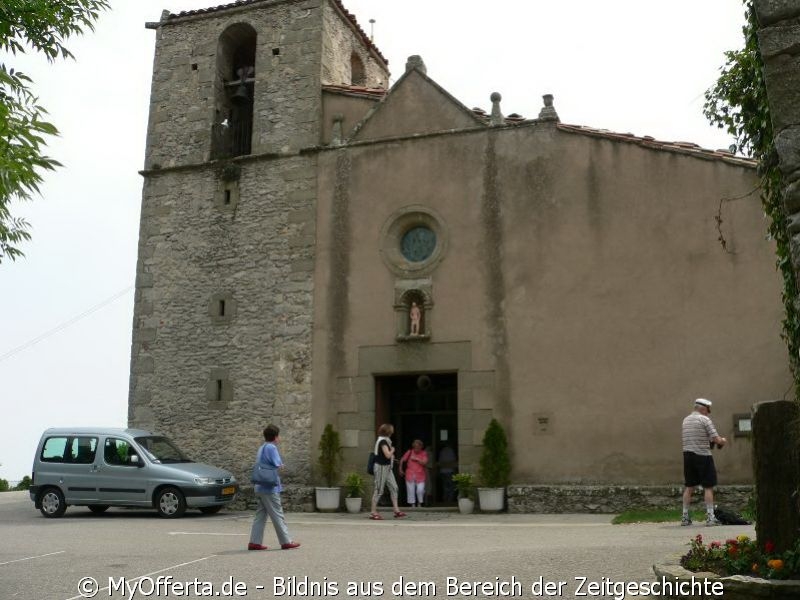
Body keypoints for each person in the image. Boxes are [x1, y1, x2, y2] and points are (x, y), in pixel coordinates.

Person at [248, 424, 301, 550]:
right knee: (278, 514)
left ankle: (254, 542)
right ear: (275, 437)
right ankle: (286, 541)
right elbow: (278, 465)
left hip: (259, 486)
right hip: (269, 487)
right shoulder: (272, 448)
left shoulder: (261, 447)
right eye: (278, 436)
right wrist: (282, 465)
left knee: (260, 515)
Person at [681, 398, 727, 527]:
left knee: (689, 486)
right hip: (703, 456)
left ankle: (685, 517)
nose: (709, 412)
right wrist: (723, 441)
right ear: (702, 409)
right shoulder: (704, 420)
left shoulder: (686, 420)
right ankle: (710, 517)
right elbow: (716, 439)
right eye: (708, 409)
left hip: (688, 455)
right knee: (708, 486)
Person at [369, 424, 407, 520]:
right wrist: (393, 450)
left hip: (387, 467)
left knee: (394, 488)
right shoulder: (383, 441)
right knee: (379, 490)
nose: (392, 432)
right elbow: (387, 455)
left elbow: (385, 456)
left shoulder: (384, 440)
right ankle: (373, 512)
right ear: (388, 432)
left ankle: (396, 510)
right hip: (381, 467)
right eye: (391, 431)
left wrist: (392, 459)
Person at [399, 439, 428, 507]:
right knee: (410, 490)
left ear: (421, 447)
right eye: (415, 447)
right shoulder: (409, 452)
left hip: (420, 474)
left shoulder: (423, 453)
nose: (416, 449)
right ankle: (413, 504)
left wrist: (417, 459)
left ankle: (420, 502)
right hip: (410, 474)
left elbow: (424, 462)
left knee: (420, 490)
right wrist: (400, 469)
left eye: (418, 447)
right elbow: (402, 460)